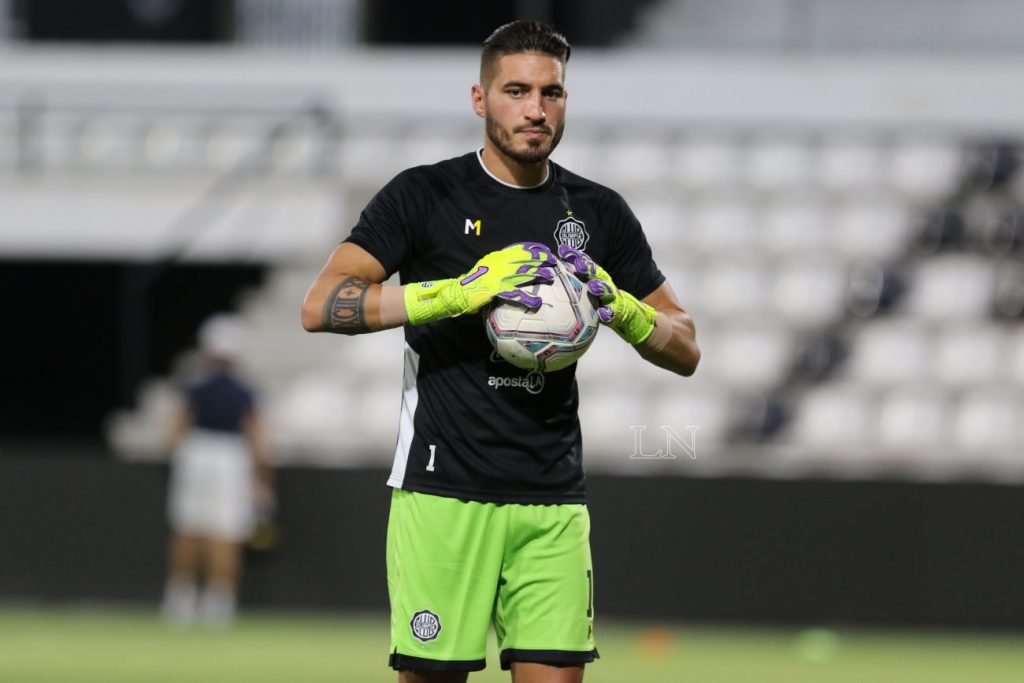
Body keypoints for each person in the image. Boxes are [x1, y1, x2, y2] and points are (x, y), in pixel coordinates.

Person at [302, 20, 699, 683]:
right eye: (517, 90)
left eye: (552, 92)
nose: (536, 109)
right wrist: (457, 293)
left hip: (551, 500)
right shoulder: (423, 195)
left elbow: (684, 346)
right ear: (480, 98)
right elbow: (321, 304)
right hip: (441, 493)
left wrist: (621, 306)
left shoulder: (599, 213)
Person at [161, 314, 274, 628]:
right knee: (224, 532)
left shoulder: (193, 383)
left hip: (195, 453)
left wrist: (177, 457)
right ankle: (218, 603)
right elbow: (256, 433)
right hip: (228, 458)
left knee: (189, 528)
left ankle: (181, 600)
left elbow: (176, 427)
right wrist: (263, 476)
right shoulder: (243, 389)